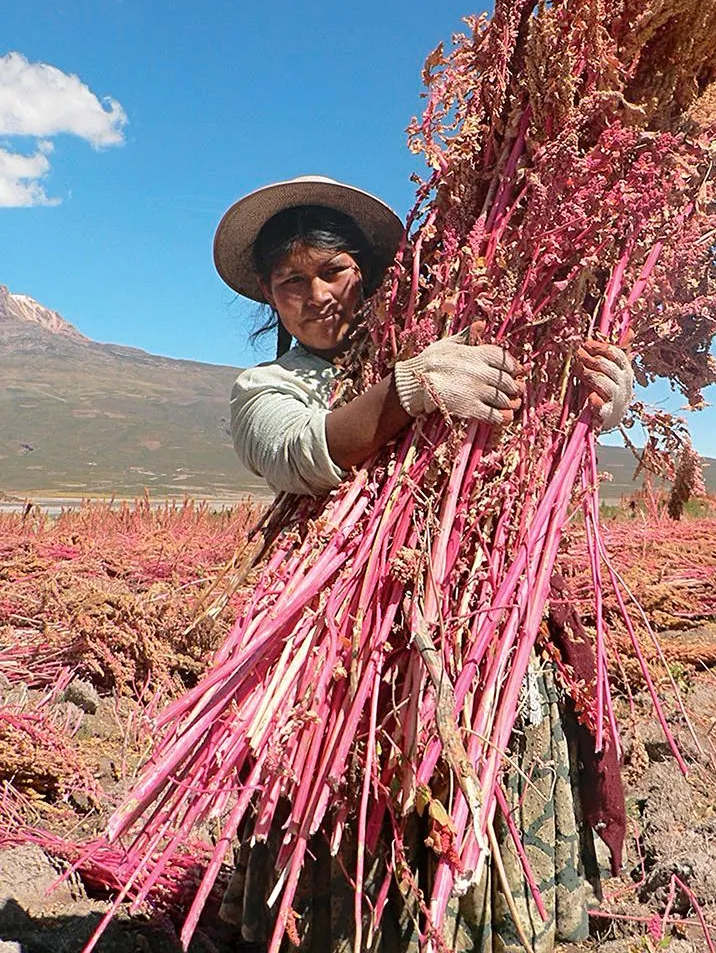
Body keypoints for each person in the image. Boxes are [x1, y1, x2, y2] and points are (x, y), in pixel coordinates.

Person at [213, 175, 633, 952]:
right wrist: (408, 390)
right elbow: (302, 452)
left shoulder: (441, 332)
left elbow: (522, 427)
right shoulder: (265, 387)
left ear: (366, 272)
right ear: (270, 300)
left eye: (333, 271)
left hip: (482, 622)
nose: (317, 295)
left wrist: (597, 400)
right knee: (355, 793)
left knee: (482, 780)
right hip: (345, 648)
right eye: (291, 282)